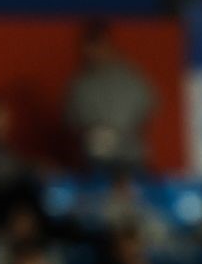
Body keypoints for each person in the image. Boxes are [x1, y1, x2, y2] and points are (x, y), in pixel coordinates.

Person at [65, 20, 155, 176]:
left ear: (108, 46)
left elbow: (149, 108)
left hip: (131, 158)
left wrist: (123, 133)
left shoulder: (130, 77)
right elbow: (70, 120)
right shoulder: (79, 84)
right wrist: (91, 133)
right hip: (95, 159)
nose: (93, 52)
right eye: (89, 47)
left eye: (98, 45)